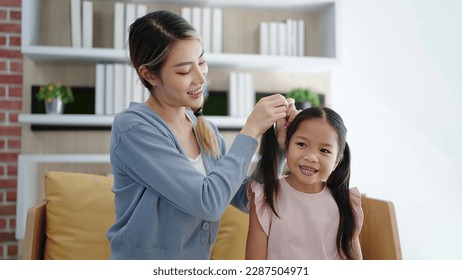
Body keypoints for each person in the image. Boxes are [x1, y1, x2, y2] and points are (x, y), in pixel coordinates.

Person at [107, 10, 297, 260]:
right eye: (185, 71)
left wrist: (280, 148)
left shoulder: (204, 130)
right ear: (149, 74)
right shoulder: (133, 129)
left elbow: (246, 199)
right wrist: (251, 130)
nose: (200, 77)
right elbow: (208, 202)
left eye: (202, 62)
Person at [246, 107, 364, 260]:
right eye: (302, 144)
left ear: (336, 162)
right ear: (286, 146)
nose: (311, 157)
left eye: (324, 150)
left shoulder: (345, 203)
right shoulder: (264, 198)